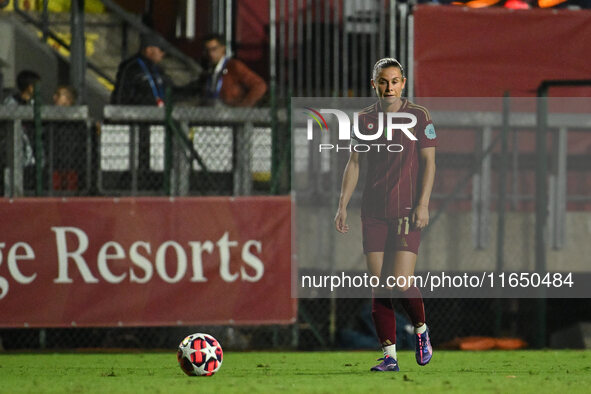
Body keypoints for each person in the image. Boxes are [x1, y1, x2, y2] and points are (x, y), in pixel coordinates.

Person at [334, 58, 437, 372]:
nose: (388, 87)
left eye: (394, 81)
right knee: (379, 284)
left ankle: (421, 329)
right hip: (373, 213)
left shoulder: (419, 116)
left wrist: (423, 204)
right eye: (383, 81)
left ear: (403, 83)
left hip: (406, 210)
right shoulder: (364, 119)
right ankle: (390, 356)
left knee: (402, 281)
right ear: (374, 84)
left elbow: (429, 163)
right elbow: (354, 163)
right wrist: (342, 205)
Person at [201, 33, 267, 107]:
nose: (210, 53)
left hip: (230, 112)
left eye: (214, 49)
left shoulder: (234, 66)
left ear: (223, 48)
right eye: (207, 50)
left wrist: (243, 107)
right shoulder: (207, 70)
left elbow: (259, 85)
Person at [111, 33, 170, 106]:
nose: (163, 54)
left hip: (157, 114)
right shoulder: (131, 67)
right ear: (149, 50)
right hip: (135, 114)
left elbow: (170, 91)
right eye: (161, 50)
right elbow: (120, 96)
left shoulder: (159, 70)